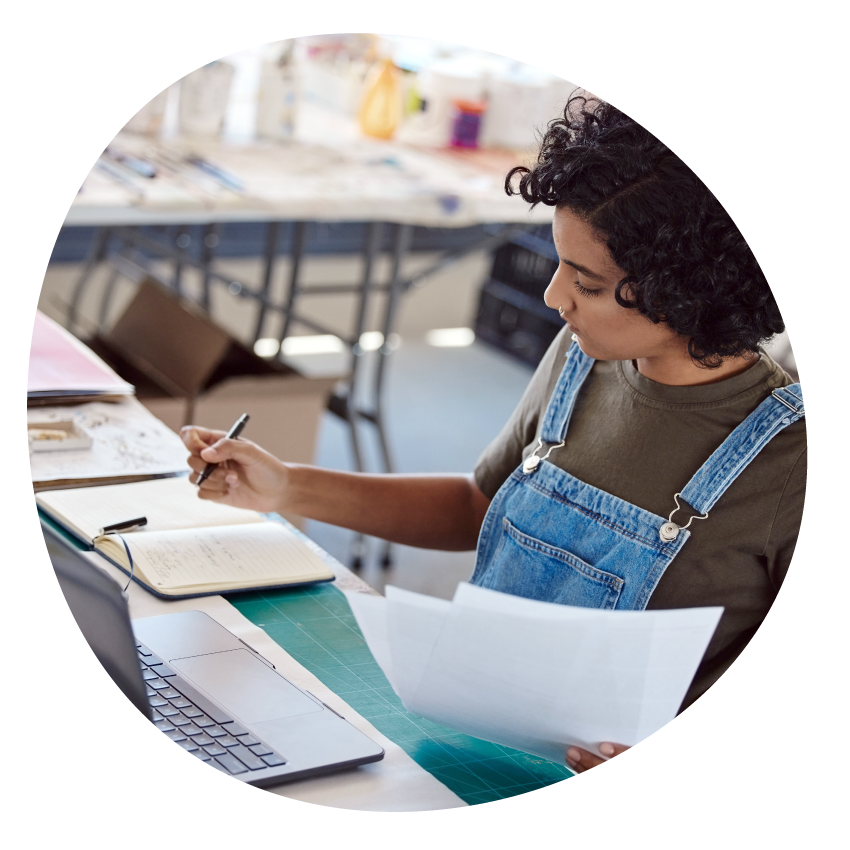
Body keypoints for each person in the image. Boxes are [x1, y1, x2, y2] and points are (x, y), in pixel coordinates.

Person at [180, 96, 806, 774]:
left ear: (686, 293)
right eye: (560, 262)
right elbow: (477, 507)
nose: (553, 297)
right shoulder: (580, 357)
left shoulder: (788, 458)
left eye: (587, 283)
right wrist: (288, 485)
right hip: (461, 744)